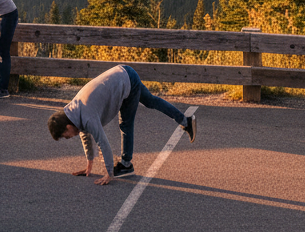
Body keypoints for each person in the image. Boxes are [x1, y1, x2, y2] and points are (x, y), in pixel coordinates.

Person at [47, 64, 196, 184]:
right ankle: (185, 121)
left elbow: (102, 142)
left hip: (126, 81)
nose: (69, 137)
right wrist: (89, 164)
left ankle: (125, 165)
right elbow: (85, 134)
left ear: (67, 127)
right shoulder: (73, 112)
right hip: (123, 72)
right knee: (150, 101)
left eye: (66, 136)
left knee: (126, 124)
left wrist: (109, 173)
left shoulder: (87, 116)